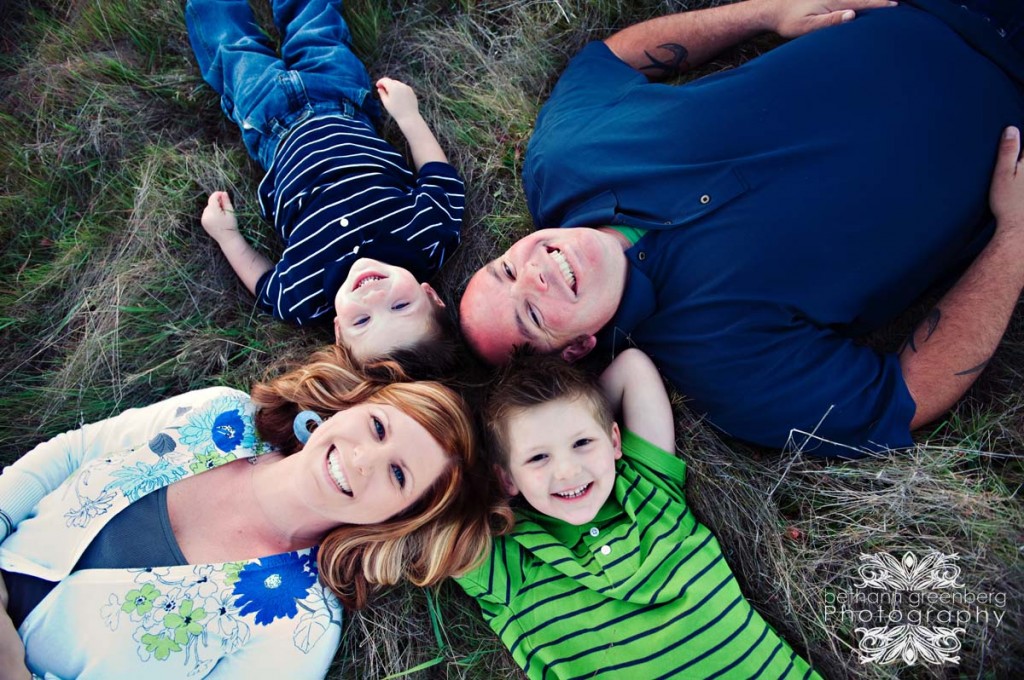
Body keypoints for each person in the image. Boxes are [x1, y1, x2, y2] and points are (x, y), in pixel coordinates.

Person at [459, 0, 1024, 457]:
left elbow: (608, 60)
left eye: (505, 268)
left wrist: (766, 12)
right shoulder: (727, 368)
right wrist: (1014, 238)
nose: (532, 272)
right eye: (531, 314)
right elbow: (907, 396)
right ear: (574, 351)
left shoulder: (563, 161)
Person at [0, 348, 494, 678]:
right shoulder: (221, 414)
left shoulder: (300, 630)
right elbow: (71, 454)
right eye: (379, 428)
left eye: (399, 476)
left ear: (399, 519)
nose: (364, 459)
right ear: (353, 406)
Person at [457, 349, 821, 678]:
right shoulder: (510, 563)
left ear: (615, 441)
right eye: (538, 457)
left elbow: (633, 367)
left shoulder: (649, 491)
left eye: (583, 442)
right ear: (505, 478)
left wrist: (583, 404)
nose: (567, 471)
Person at [188, 0, 465, 365]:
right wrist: (408, 117)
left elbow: (266, 286)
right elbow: (439, 179)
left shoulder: (305, 296)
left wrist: (227, 236)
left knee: (230, 48)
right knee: (315, 20)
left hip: (270, 126)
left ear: (337, 330)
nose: (374, 297)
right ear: (430, 295)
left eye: (362, 320)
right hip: (341, 98)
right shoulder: (429, 237)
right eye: (400, 305)